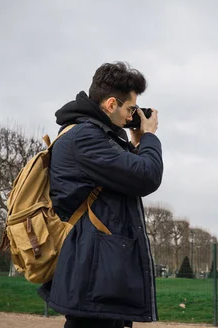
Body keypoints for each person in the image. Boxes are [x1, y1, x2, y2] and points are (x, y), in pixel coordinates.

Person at [38, 62, 163, 328]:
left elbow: (126, 177)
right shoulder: (85, 137)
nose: (131, 116)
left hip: (100, 273)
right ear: (110, 104)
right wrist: (150, 136)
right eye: (130, 109)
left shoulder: (98, 136)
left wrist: (136, 140)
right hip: (93, 276)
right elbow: (146, 176)